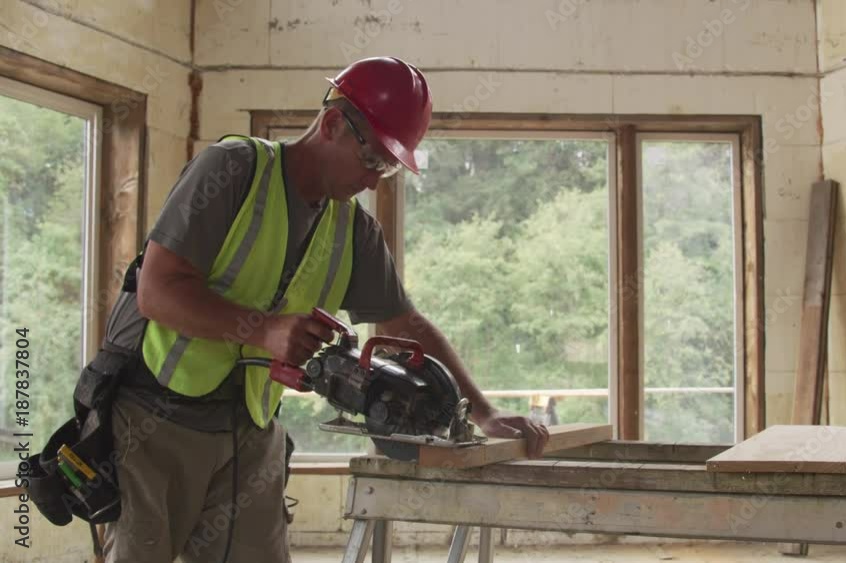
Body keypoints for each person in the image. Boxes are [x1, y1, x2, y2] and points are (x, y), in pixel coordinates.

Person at [99, 56, 550, 563]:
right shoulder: (231, 171)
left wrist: (481, 412)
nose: (376, 181)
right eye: (374, 159)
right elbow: (157, 291)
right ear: (333, 124)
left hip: (249, 427)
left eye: (388, 167)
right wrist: (264, 331)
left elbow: (406, 325)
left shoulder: (354, 230)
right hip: (157, 420)